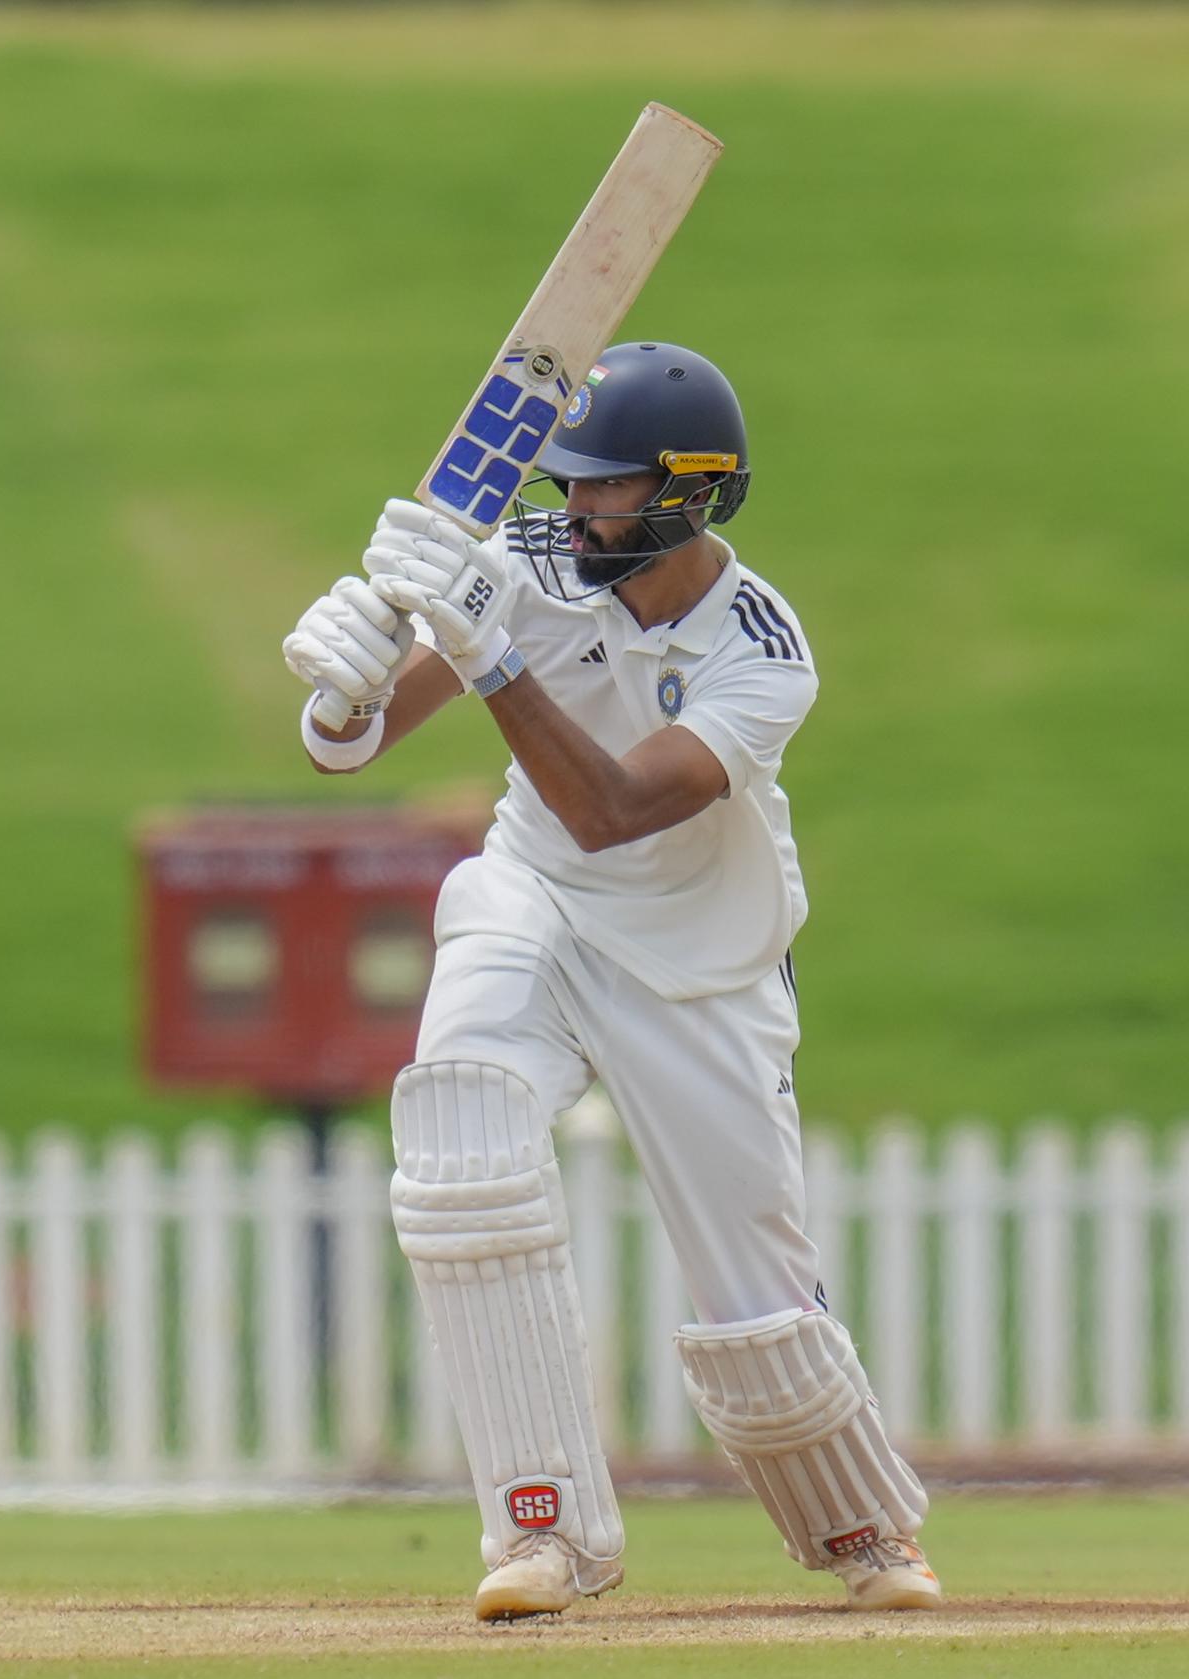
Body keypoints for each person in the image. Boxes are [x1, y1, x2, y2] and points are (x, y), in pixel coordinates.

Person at [283, 343, 942, 1621]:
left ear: (695, 491)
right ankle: (543, 1529)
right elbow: (366, 741)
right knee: (460, 1135)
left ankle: (861, 1524)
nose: (576, 511)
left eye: (607, 489)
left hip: (701, 958)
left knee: (753, 1278)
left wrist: (491, 665)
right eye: (568, 484)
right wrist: (343, 698)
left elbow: (619, 808)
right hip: (532, 897)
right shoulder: (530, 564)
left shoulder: (765, 649)